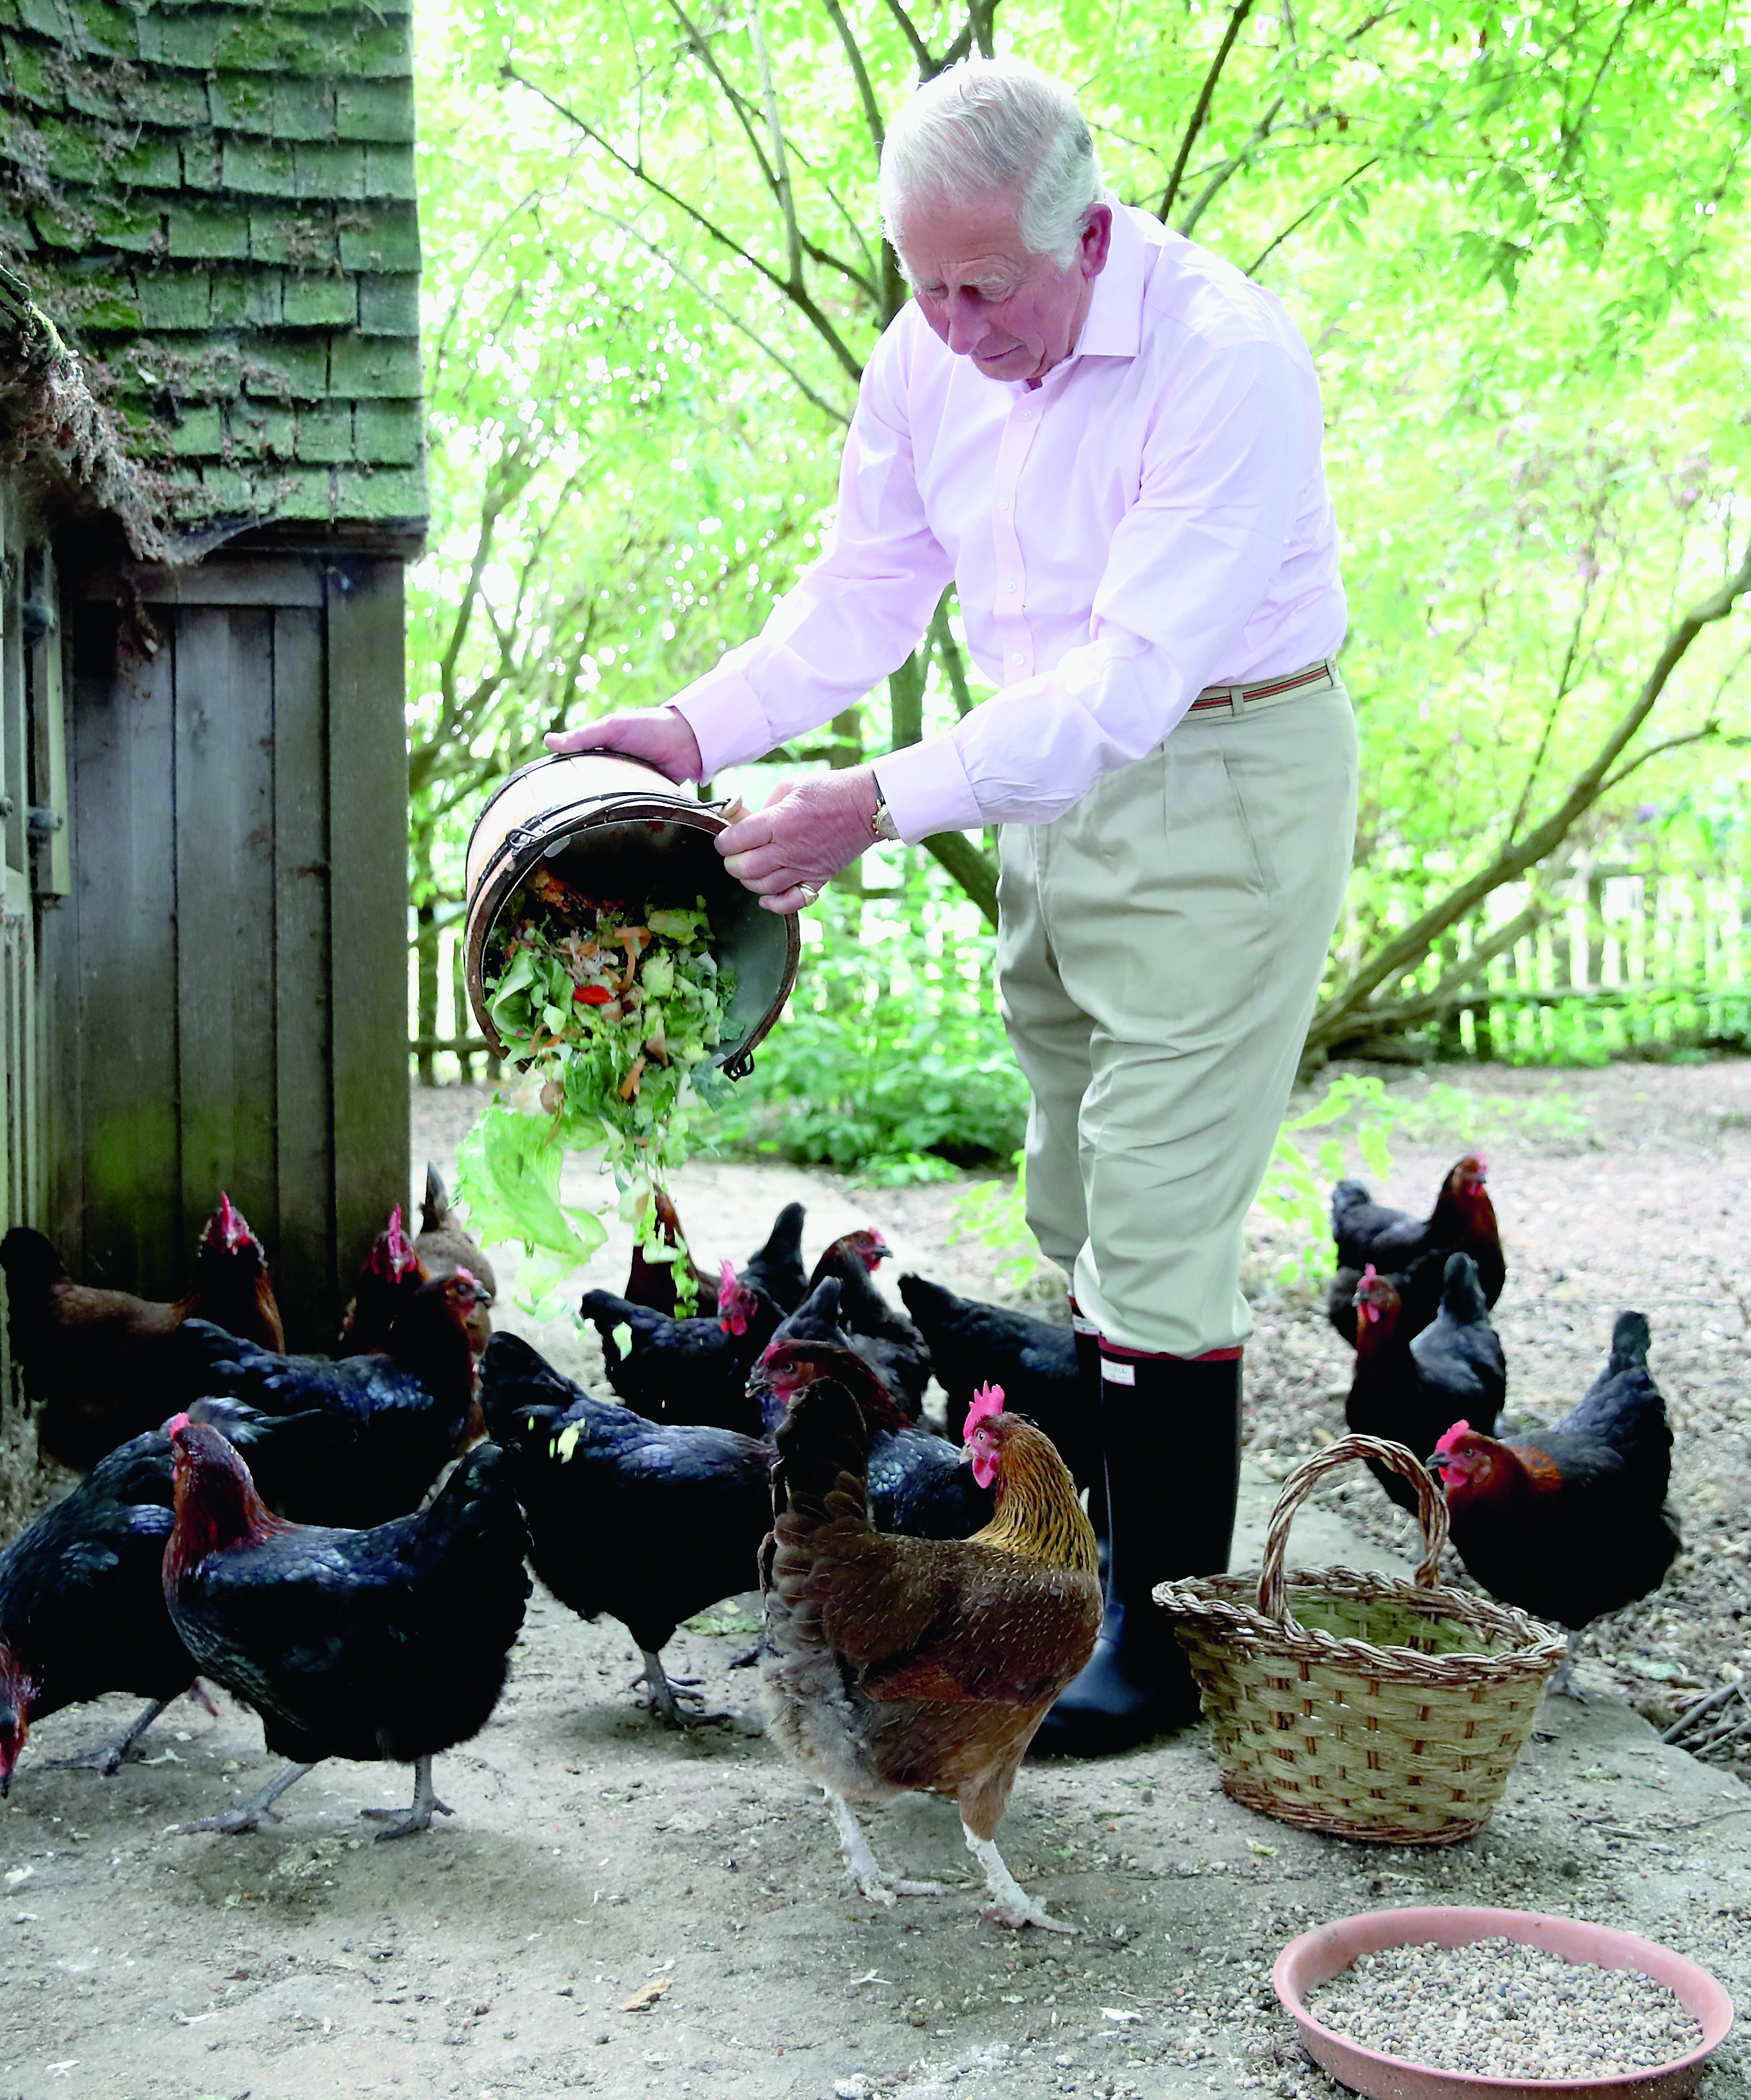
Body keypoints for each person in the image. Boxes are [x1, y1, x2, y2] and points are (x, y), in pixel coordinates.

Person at [550, 57, 1353, 1753]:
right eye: (925, 285)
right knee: (1070, 1195)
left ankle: (1156, 1643)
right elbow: (865, 589)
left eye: (988, 288)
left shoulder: (1228, 359)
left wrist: (868, 808)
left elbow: (1133, 685)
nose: (958, 331)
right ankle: (1087, 1563)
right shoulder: (930, 350)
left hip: (1222, 776)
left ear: (1094, 233)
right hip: (1037, 782)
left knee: (1151, 1210)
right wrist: (697, 730)